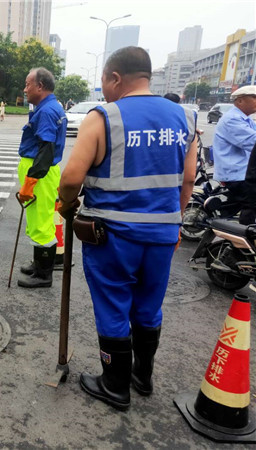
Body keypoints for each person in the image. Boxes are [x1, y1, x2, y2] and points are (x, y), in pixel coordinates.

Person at [58, 47, 197, 410]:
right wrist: (174, 220)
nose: (103, 89)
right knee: (149, 307)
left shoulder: (104, 116)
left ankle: (115, 385)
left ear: (115, 78)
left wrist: (68, 203)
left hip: (114, 237)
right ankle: (142, 375)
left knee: (113, 305)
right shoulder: (185, 118)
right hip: (164, 234)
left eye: (104, 81)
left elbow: (72, 177)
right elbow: (188, 179)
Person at [16, 67, 67, 288]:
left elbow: (45, 152)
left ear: (40, 86)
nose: (25, 89)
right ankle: (39, 264)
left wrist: (29, 183)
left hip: (41, 174)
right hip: (42, 172)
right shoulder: (49, 107)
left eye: (28, 84)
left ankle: (44, 275)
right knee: (39, 220)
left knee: (42, 225)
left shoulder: (46, 111)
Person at [212, 85, 256, 224]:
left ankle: (224, 223)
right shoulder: (233, 119)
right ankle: (241, 238)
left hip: (242, 171)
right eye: (254, 98)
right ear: (240, 100)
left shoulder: (246, 119)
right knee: (251, 204)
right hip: (237, 173)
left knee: (235, 206)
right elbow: (252, 141)